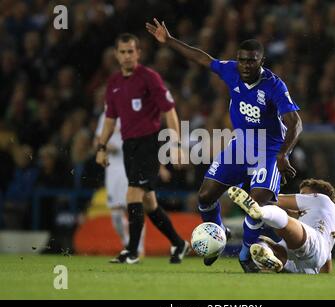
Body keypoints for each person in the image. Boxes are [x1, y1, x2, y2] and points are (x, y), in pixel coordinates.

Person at [146, 19, 302, 272]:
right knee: (205, 196)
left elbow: (295, 122)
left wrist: (283, 154)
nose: (245, 65)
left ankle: (245, 254)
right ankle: (217, 234)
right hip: (240, 146)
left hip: (269, 151)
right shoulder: (231, 70)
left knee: (257, 203)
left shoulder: (274, 86)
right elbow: (202, 58)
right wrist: (170, 40)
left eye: (251, 60)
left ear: (261, 61)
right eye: (242, 60)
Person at [96, 33, 189, 264]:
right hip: (130, 146)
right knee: (149, 203)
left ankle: (132, 250)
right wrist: (101, 146)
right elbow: (110, 118)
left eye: (131, 51)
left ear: (138, 53)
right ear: (116, 55)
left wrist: (176, 144)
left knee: (132, 195)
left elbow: (169, 110)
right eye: (123, 52)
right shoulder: (114, 84)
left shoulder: (149, 78)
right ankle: (179, 243)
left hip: (149, 142)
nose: (127, 56)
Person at [228, 178, 335, 274]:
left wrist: (253, 195)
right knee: (261, 242)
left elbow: (276, 200)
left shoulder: (323, 199)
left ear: (316, 194)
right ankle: (271, 257)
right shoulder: (330, 219)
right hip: (308, 266)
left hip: (311, 246)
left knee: (284, 225)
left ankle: (261, 212)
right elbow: (326, 266)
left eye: (304, 195)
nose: (301, 197)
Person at [95, 111, 146, 259]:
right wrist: (106, 147)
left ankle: (139, 248)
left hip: (132, 165)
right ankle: (127, 243)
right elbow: (98, 140)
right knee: (116, 213)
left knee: (134, 207)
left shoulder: (134, 111)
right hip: (113, 168)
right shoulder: (105, 115)